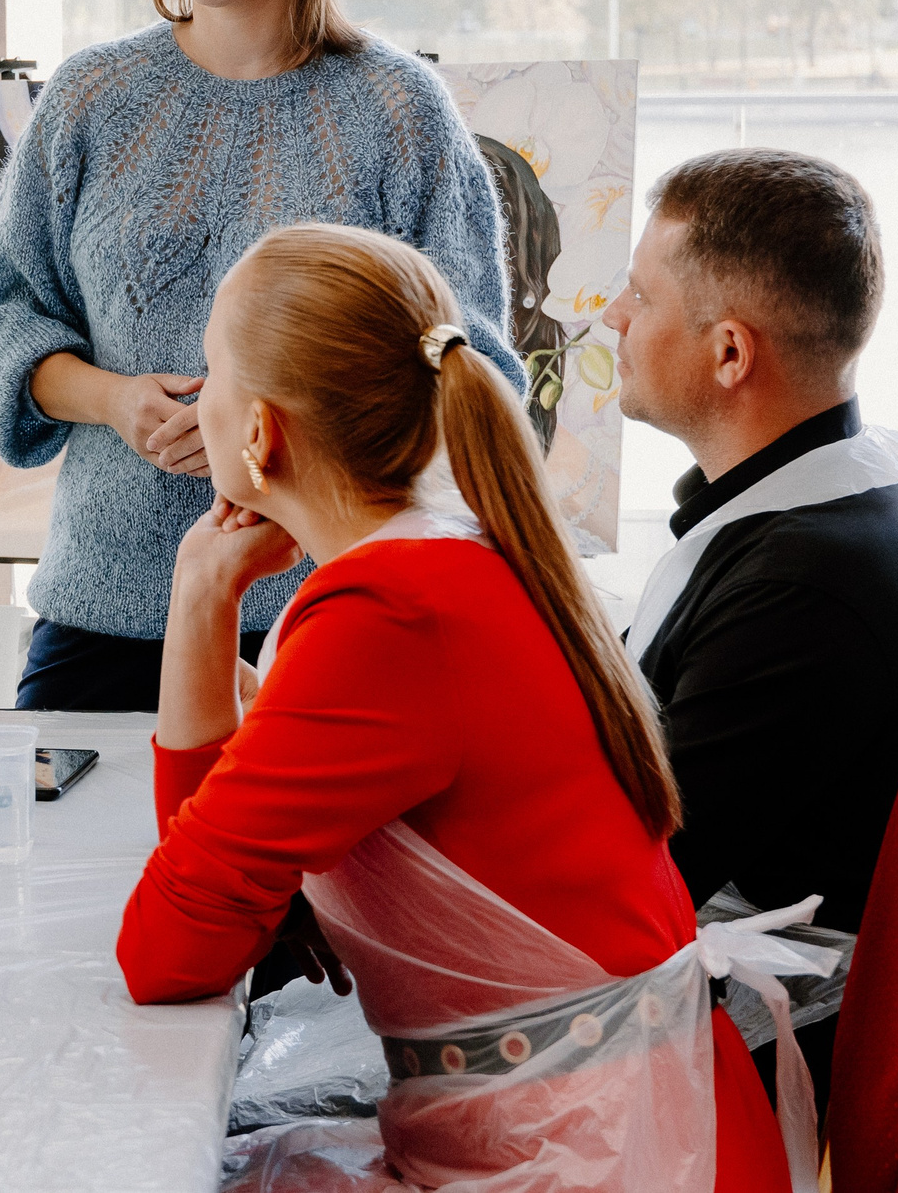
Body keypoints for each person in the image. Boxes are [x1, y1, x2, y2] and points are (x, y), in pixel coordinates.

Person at [120, 223, 800, 1193]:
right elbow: (207, 902)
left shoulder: (386, 619)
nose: (200, 397)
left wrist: (196, 597)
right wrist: (205, 603)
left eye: (212, 368)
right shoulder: (452, 554)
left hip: (612, 1153)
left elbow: (170, 951)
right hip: (625, 1116)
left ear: (261, 430)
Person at [0, 0, 522, 712]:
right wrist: (114, 400)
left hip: (340, 610)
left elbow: (475, 375)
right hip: (103, 613)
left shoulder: (400, 113)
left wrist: (285, 432)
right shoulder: (92, 97)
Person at [601, 147, 898, 1109]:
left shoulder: (805, 588)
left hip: (740, 1061)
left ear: (730, 353)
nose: (612, 316)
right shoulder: (825, 507)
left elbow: (624, 886)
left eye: (639, 296)